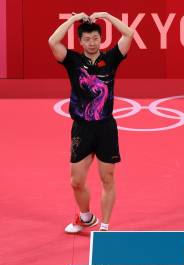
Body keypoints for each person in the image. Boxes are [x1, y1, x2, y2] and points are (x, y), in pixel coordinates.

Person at [48, 12, 133, 233]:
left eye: (95, 38)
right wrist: (72, 21)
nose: (92, 42)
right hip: (82, 127)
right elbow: (52, 41)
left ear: (100, 39)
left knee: (107, 177)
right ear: (81, 41)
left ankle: (104, 225)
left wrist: (106, 15)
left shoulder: (111, 58)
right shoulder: (73, 60)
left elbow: (129, 33)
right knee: (76, 181)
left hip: (105, 127)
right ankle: (86, 217)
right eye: (87, 39)